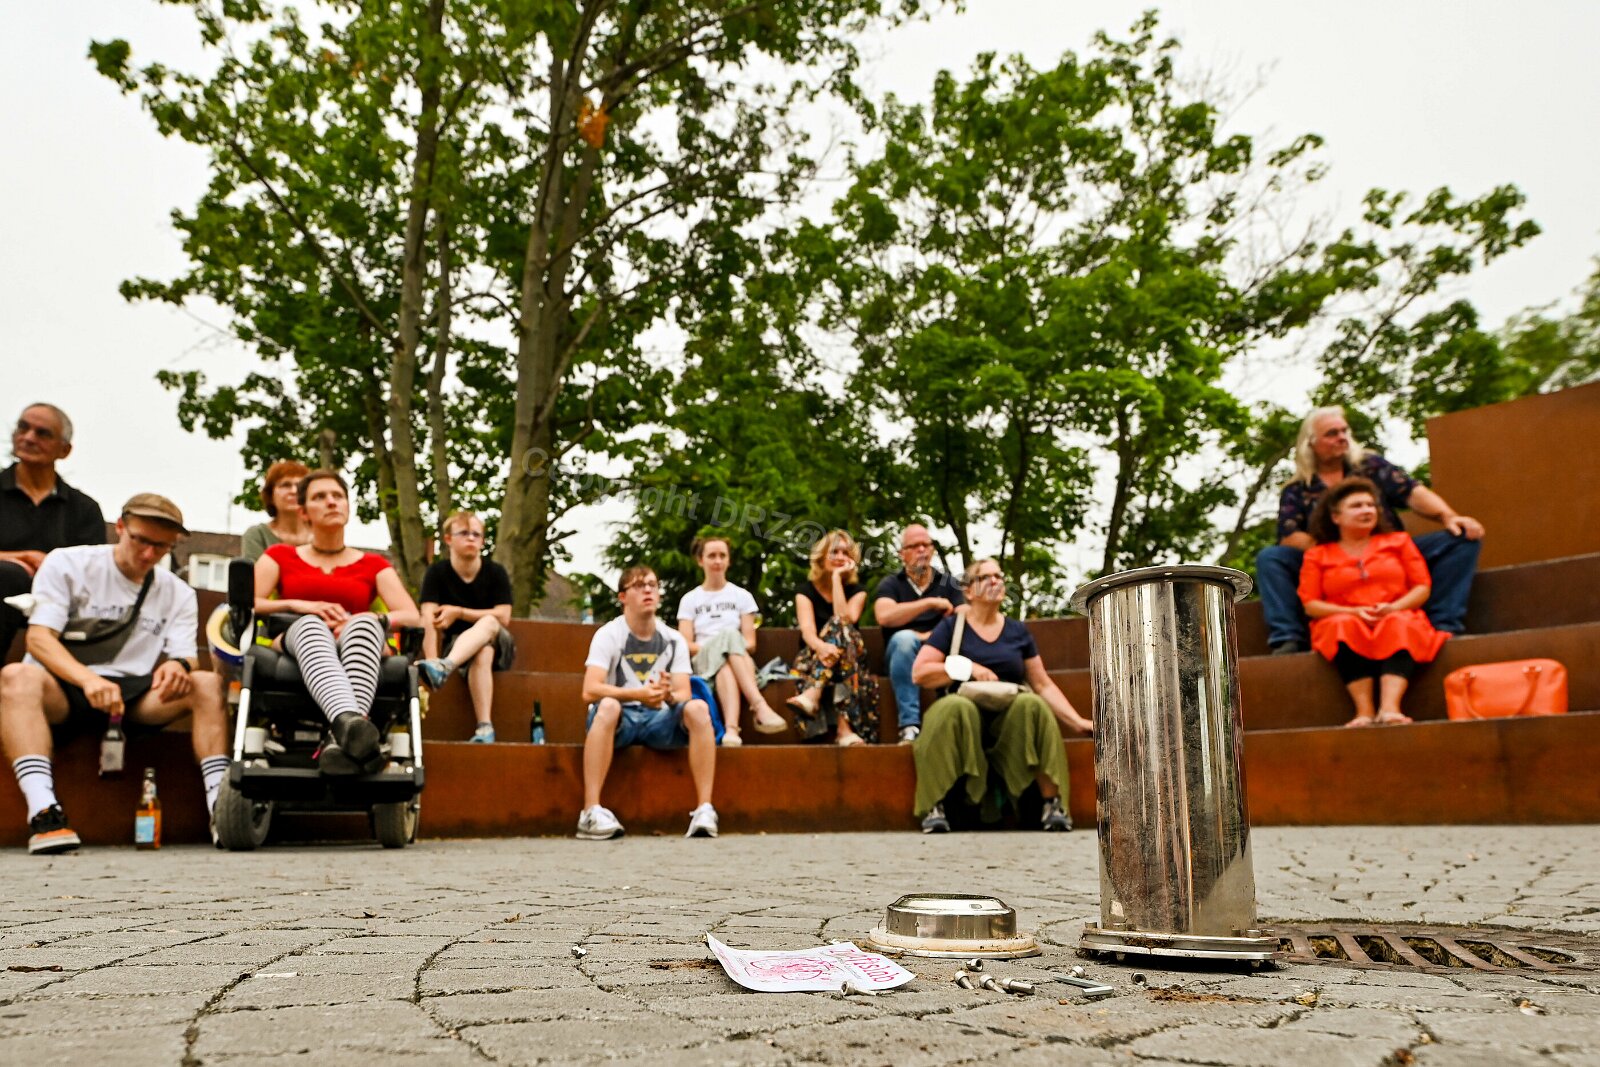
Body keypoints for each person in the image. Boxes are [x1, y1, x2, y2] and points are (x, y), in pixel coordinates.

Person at [0, 494, 227, 854]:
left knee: (207, 683)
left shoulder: (178, 592)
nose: (149, 554)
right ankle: (44, 811)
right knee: (15, 676)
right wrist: (88, 679)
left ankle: (221, 808)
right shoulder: (69, 563)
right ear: (120, 527)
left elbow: (187, 657)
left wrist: (179, 665)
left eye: (161, 547)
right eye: (141, 540)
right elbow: (39, 639)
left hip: (133, 695)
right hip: (62, 686)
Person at [1257, 406, 1484, 654]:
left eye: (1344, 431)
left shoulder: (1371, 466)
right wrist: (1339, 553)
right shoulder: (1297, 489)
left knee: (1462, 538)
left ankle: (1442, 624)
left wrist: (1448, 516)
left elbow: (1411, 492)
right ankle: (1288, 638)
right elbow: (1289, 535)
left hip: (1391, 556)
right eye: (1332, 433)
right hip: (1329, 566)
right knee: (1271, 558)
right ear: (1310, 443)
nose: (1342, 437)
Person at [253, 470, 420, 775]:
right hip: (298, 638)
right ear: (303, 512)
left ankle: (343, 734)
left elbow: (411, 615)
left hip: (357, 640)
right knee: (312, 626)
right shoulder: (279, 556)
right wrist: (298, 605)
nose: (331, 502)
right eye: (319, 497)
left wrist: (372, 617)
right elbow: (249, 603)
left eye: (338, 496)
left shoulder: (374, 564)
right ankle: (351, 727)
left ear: (347, 506)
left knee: (365, 625)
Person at [910, 558, 1093, 834]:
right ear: (969, 590)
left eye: (999, 576)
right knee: (953, 707)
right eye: (985, 577)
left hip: (1010, 719)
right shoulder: (951, 627)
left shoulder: (1017, 631)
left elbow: (1042, 684)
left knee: (1032, 704)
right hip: (962, 717)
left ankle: (1053, 805)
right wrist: (969, 668)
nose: (995, 581)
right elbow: (920, 672)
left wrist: (1077, 723)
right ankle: (934, 805)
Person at [578, 565, 718, 840]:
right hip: (620, 720)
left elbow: (683, 693)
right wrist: (638, 694)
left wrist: (667, 695)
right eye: (639, 586)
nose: (648, 591)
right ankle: (590, 811)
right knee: (608, 705)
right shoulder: (609, 634)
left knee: (699, 708)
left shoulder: (673, 639)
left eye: (653, 585)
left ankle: (705, 810)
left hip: (659, 721)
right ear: (623, 597)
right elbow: (590, 690)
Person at [1298, 479, 1449, 727]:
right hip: (1345, 617)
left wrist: (1395, 607)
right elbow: (1311, 604)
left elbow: (1422, 587)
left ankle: (1390, 708)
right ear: (1336, 517)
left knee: (1400, 623)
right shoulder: (1317, 555)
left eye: (1371, 505)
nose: (1367, 510)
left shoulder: (1399, 541)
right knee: (1341, 626)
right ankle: (1364, 711)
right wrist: (1354, 612)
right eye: (1357, 506)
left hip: (1395, 611)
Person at [1, 404, 105, 659]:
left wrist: (50, 566)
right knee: (8, 574)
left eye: (42, 433)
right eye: (23, 428)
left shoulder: (84, 509)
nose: (29, 438)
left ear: (64, 450)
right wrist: (18, 558)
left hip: (57, 605)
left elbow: (94, 575)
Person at [675, 535, 786, 746]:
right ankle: (759, 706)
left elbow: (750, 643)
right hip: (703, 662)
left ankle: (732, 731)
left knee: (725, 663)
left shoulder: (742, 596)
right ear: (700, 560)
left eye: (722, 555)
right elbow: (686, 644)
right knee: (729, 636)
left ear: (729, 560)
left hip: (737, 662)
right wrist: (717, 646)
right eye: (712, 556)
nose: (717, 561)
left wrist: (725, 650)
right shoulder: (690, 599)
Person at [415, 511, 514, 743]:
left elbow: (503, 616)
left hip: (500, 643)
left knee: (488, 622)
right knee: (483, 650)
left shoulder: (495, 572)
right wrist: (431, 658)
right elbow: (428, 616)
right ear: (448, 539)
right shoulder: (437, 572)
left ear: (482, 541)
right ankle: (485, 728)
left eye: (476, 534)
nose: (471, 538)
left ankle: (445, 667)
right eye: (464, 533)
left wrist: (459, 612)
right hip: (461, 650)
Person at [873, 523, 964, 744]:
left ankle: (957, 727)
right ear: (902, 554)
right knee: (905, 640)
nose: (922, 550)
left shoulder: (949, 583)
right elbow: (884, 616)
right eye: (914, 546)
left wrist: (931, 638)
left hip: (940, 654)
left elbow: (964, 618)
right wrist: (929, 603)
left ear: (932, 550)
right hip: (902, 656)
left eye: (926, 545)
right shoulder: (891, 584)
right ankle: (910, 726)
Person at [789, 530, 879, 746]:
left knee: (842, 629)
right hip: (814, 655)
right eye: (834, 552)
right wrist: (822, 648)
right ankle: (844, 730)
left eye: (845, 553)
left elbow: (845, 619)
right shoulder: (805, 591)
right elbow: (807, 631)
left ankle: (813, 693)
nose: (840, 557)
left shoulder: (858, 591)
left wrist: (837, 579)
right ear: (821, 557)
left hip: (851, 657)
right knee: (842, 652)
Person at [239, 460, 312, 562]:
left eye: (300, 486)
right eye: (285, 485)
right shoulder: (258, 535)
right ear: (271, 496)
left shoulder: (324, 535)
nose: (294, 491)